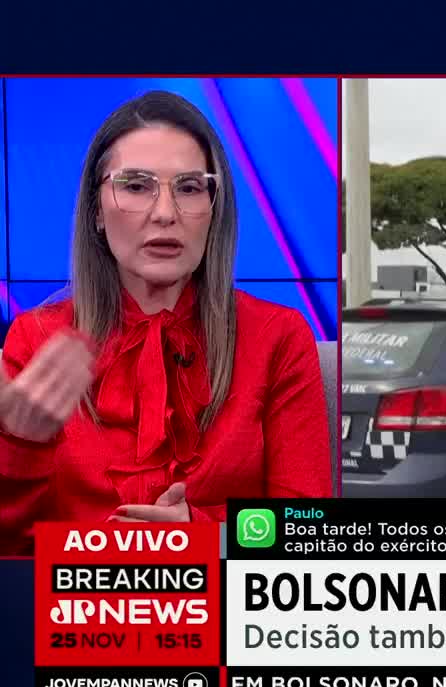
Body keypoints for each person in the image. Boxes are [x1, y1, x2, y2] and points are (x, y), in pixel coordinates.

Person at [0, 91, 332, 556]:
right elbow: (12, 553)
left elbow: (308, 533)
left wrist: (208, 535)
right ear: (96, 211)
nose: (164, 213)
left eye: (190, 187)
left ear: (215, 209)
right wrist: (21, 447)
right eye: (136, 186)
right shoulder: (36, 338)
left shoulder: (279, 335)